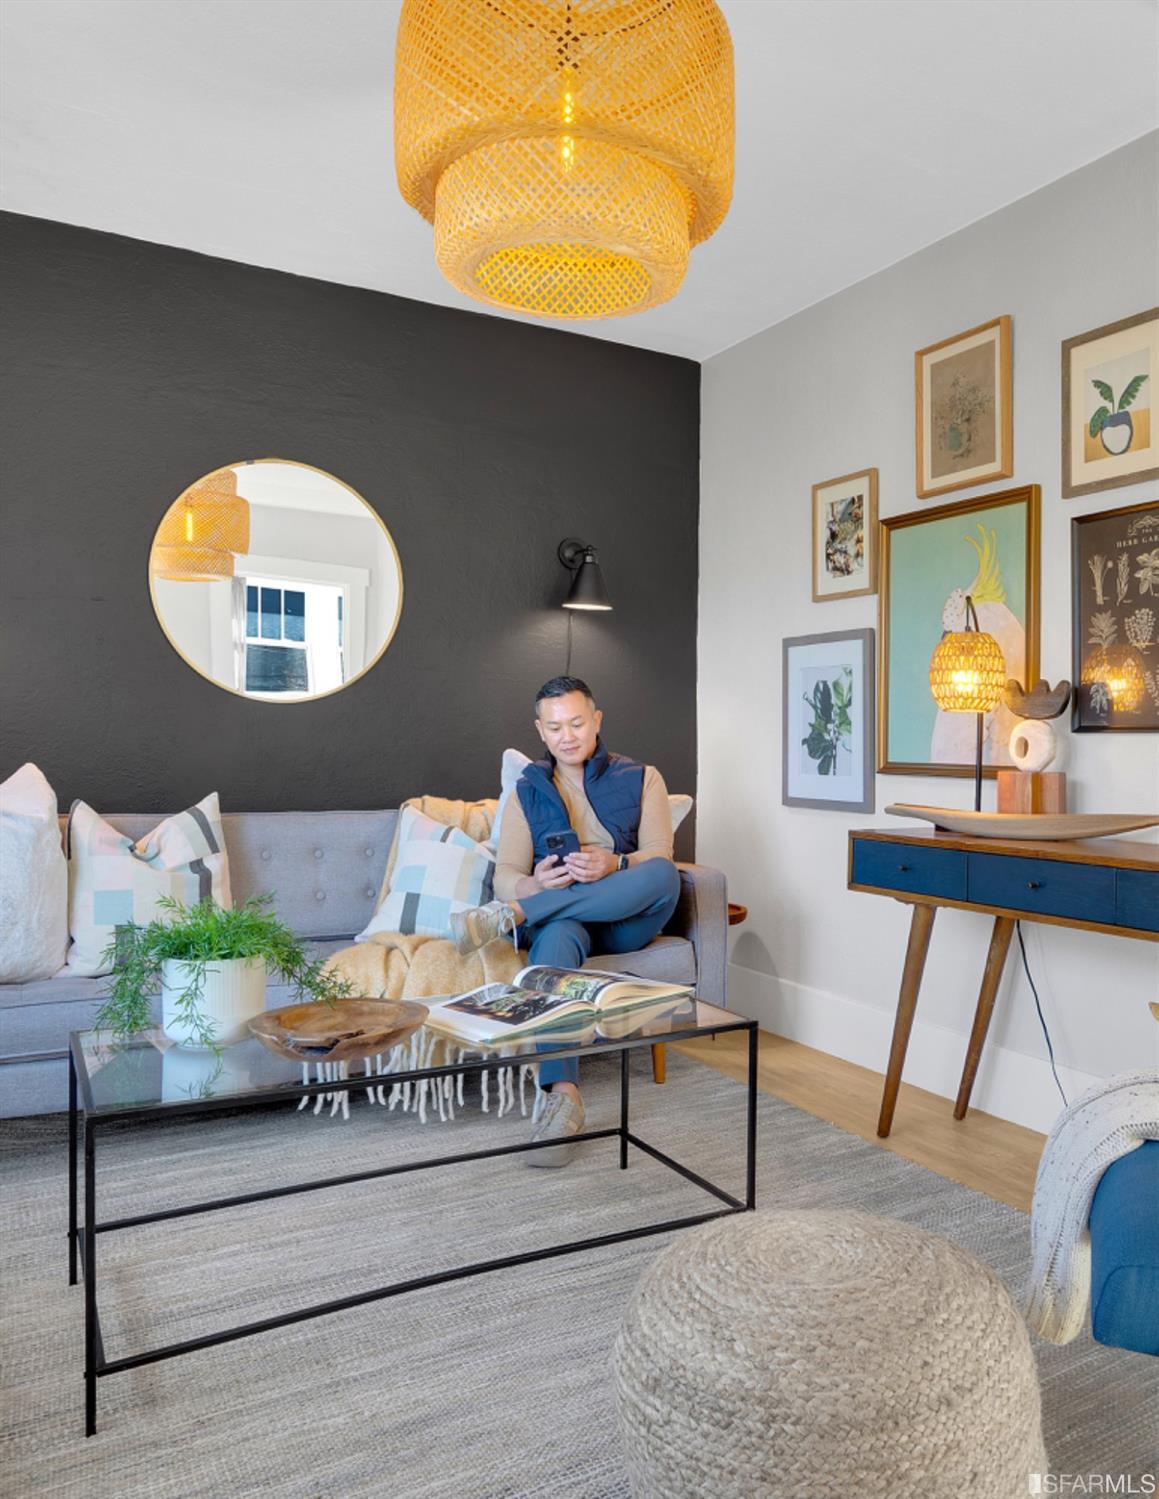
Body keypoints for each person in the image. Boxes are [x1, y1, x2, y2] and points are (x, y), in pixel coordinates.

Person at [451, 676, 681, 1167]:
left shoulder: (643, 777)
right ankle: (564, 1097)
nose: (568, 735)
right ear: (540, 731)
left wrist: (614, 864)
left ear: (596, 720)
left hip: (626, 915)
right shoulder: (526, 790)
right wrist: (536, 884)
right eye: (555, 727)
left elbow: (660, 854)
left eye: (577, 722)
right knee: (554, 936)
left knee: (663, 873)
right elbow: (506, 875)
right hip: (567, 916)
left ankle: (510, 920)